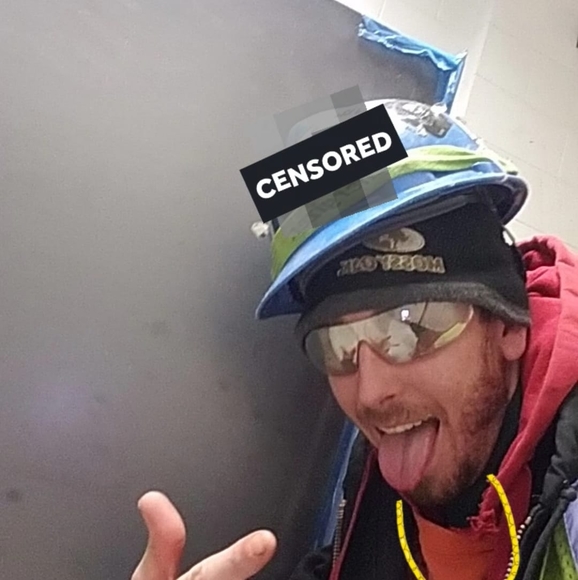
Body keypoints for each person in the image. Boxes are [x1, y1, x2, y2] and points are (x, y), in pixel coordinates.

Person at [130, 100, 578, 580]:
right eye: (338, 345)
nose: (370, 392)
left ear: (508, 322)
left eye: (411, 324)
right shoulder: (392, 469)